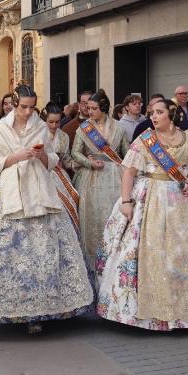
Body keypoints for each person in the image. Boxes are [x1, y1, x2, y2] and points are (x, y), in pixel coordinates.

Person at [0, 85, 93, 334]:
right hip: (11, 194)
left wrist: (41, 156)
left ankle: (41, 310)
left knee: (44, 252)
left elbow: (52, 160)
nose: (27, 112)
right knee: (11, 252)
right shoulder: (0, 128)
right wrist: (19, 156)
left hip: (40, 193)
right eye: (23, 107)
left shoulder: (41, 127)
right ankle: (14, 309)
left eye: (31, 107)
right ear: (14, 105)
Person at [96, 99, 188, 330]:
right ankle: (151, 313)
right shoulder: (145, 139)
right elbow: (128, 172)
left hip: (186, 203)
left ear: (172, 115)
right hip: (151, 200)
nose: (153, 116)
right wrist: (126, 201)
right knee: (155, 251)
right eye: (151, 112)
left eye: (159, 112)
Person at [71, 89, 129, 264]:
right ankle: (92, 260)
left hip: (115, 177)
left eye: (94, 108)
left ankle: (114, 259)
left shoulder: (119, 127)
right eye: (88, 108)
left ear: (103, 108)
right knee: (92, 219)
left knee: (113, 216)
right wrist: (89, 163)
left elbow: (127, 153)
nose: (89, 112)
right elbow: (75, 153)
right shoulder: (84, 128)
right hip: (91, 178)